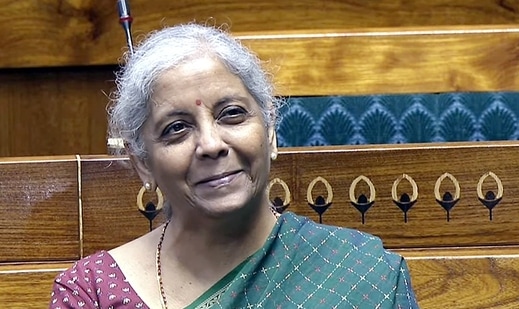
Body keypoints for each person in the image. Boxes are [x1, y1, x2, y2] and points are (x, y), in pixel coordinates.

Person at [49, 23, 419, 309]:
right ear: (142, 163)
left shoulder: (363, 274)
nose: (211, 145)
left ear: (270, 131)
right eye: (176, 129)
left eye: (232, 114)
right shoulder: (92, 291)